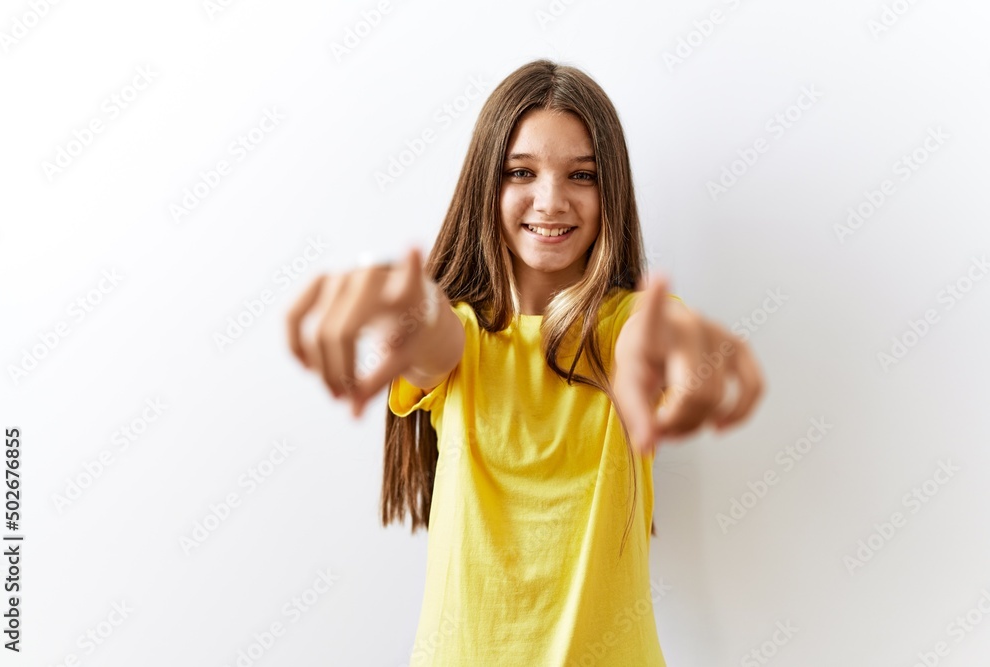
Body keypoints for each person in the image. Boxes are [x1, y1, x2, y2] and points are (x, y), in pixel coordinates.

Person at [287, 59, 764, 666]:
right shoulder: (461, 336)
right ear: (487, 183)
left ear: (609, 189)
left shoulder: (628, 327)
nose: (551, 200)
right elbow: (433, 336)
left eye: (581, 175)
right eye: (521, 171)